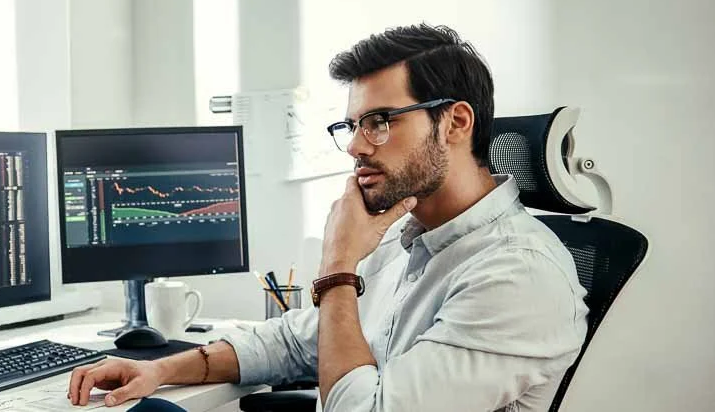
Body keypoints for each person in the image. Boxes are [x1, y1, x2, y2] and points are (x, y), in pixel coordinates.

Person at [66, 24, 588, 412]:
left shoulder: (518, 274)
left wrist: (338, 267)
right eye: (353, 125)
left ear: (455, 122)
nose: (357, 147)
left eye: (380, 122)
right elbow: (295, 341)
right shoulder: (403, 240)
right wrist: (158, 368)